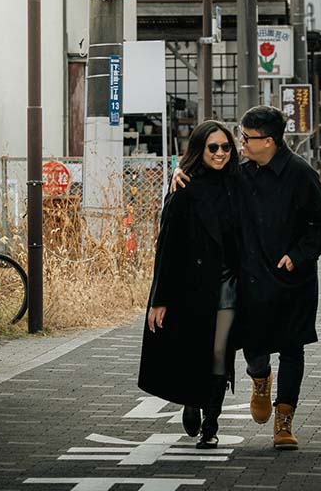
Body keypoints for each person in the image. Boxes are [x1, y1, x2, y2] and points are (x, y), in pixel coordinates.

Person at [173, 105, 321, 451]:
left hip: (292, 281)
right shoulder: (240, 174)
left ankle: (284, 421)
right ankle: (260, 379)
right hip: (250, 281)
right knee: (254, 347)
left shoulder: (301, 175)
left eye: (247, 138)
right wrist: (179, 175)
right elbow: (207, 183)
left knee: (292, 348)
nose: (241, 143)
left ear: (269, 141)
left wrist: (298, 256)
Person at [138, 120, 239, 449]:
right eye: (213, 147)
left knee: (220, 352)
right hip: (191, 286)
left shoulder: (240, 184)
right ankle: (192, 400)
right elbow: (167, 247)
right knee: (194, 350)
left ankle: (211, 424)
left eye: (226, 147)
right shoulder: (184, 188)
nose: (220, 153)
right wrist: (159, 298)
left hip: (229, 284)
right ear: (200, 149)